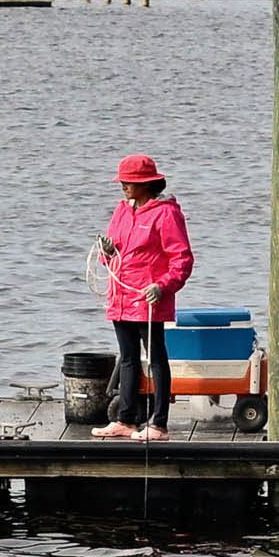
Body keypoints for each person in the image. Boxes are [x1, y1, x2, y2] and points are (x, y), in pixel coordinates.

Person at [91, 154, 193, 443]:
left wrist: (163, 286)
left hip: (149, 300)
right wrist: (107, 251)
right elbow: (110, 254)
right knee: (127, 359)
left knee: (157, 358)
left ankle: (159, 424)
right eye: (123, 181)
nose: (123, 186)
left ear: (146, 184)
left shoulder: (165, 213)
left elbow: (182, 259)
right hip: (120, 296)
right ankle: (125, 419)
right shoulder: (122, 210)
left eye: (129, 182)